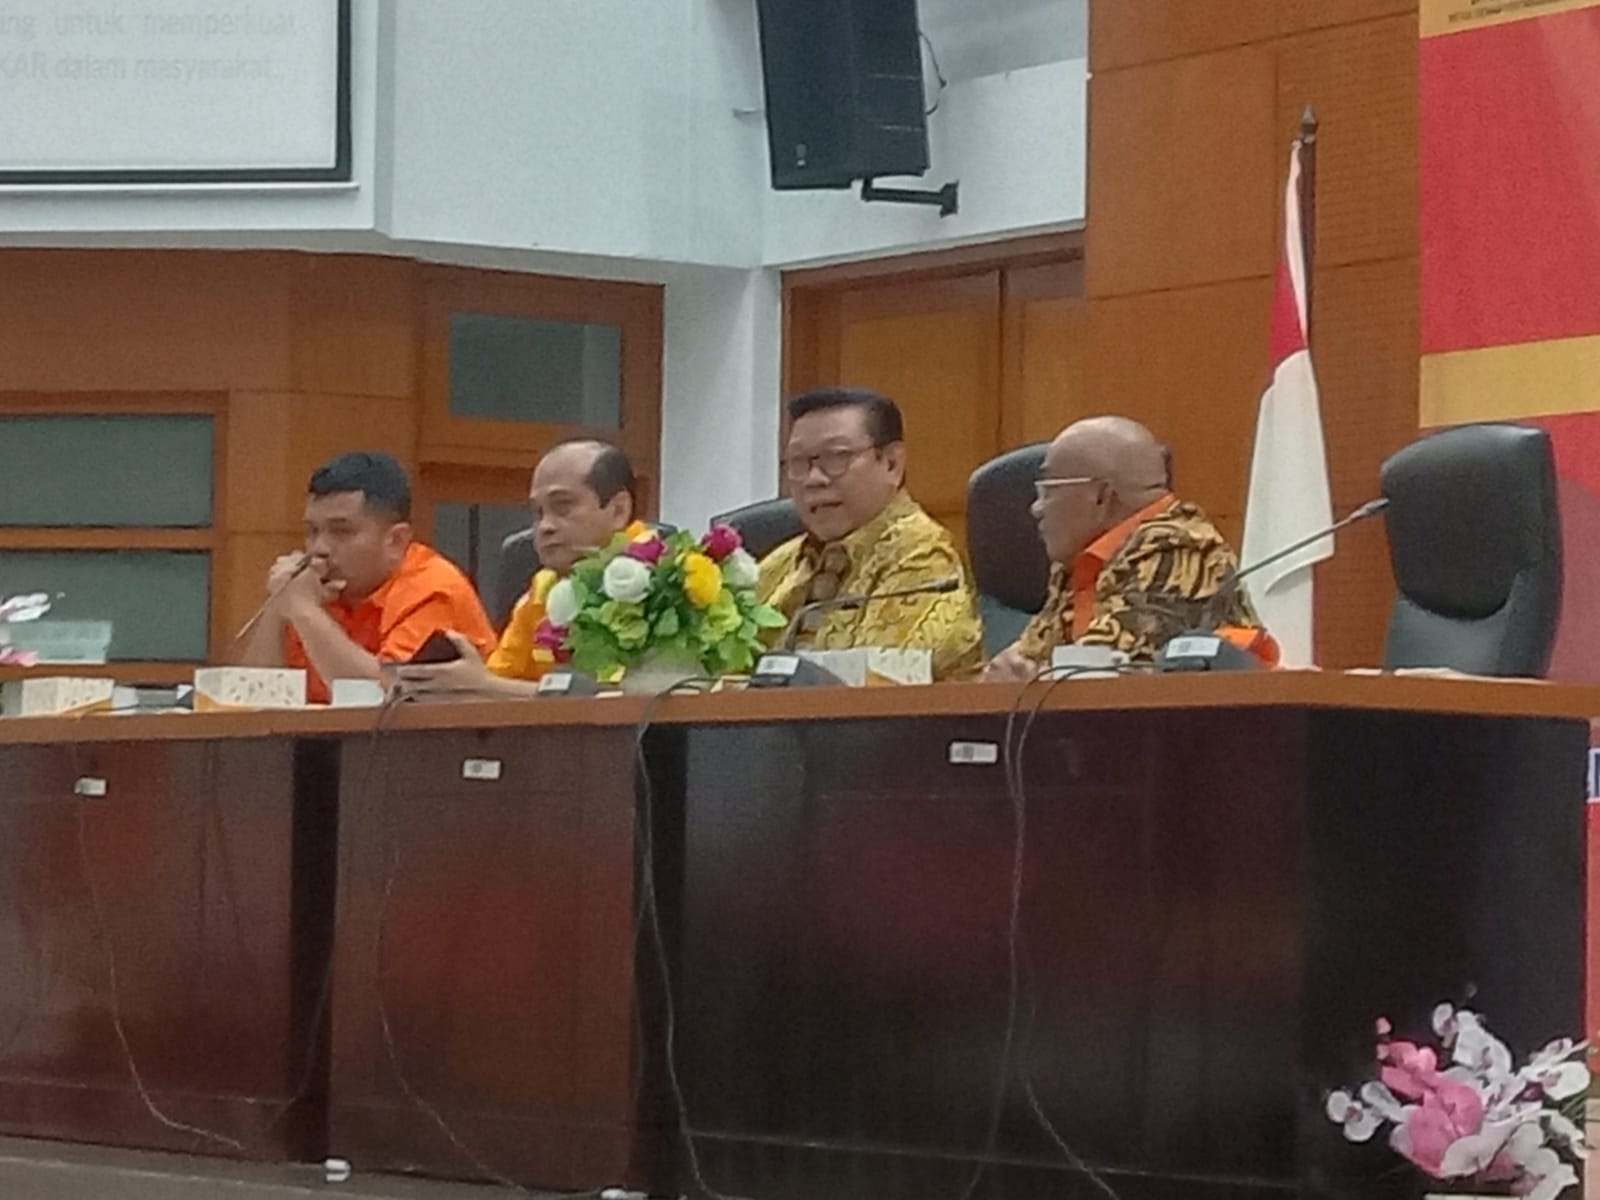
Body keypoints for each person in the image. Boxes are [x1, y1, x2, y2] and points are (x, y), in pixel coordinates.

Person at [984, 415, 1276, 680]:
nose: (1036, 508)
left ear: (1100, 496)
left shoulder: (1177, 547)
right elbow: (1014, 666)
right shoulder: (1079, 564)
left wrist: (1025, 679)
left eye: (1047, 491)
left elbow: (1100, 674)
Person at [757, 387, 982, 681]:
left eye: (836, 458)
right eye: (798, 463)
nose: (814, 479)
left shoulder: (924, 558)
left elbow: (878, 685)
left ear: (892, 464)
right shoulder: (778, 564)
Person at [234, 450, 496, 703]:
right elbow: (251, 698)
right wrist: (280, 605)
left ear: (395, 541)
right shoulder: (312, 588)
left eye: (341, 531)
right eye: (312, 531)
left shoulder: (433, 589)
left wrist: (304, 611)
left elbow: (385, 702)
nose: (318, 549)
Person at [397, 438, 643, 697]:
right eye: (537, 513)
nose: (545, 526)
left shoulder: (671, 578)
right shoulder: (543, 589)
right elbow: (499, 679)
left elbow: (623, 699)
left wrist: (483, 684)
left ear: (618, 510)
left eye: (563, 507)